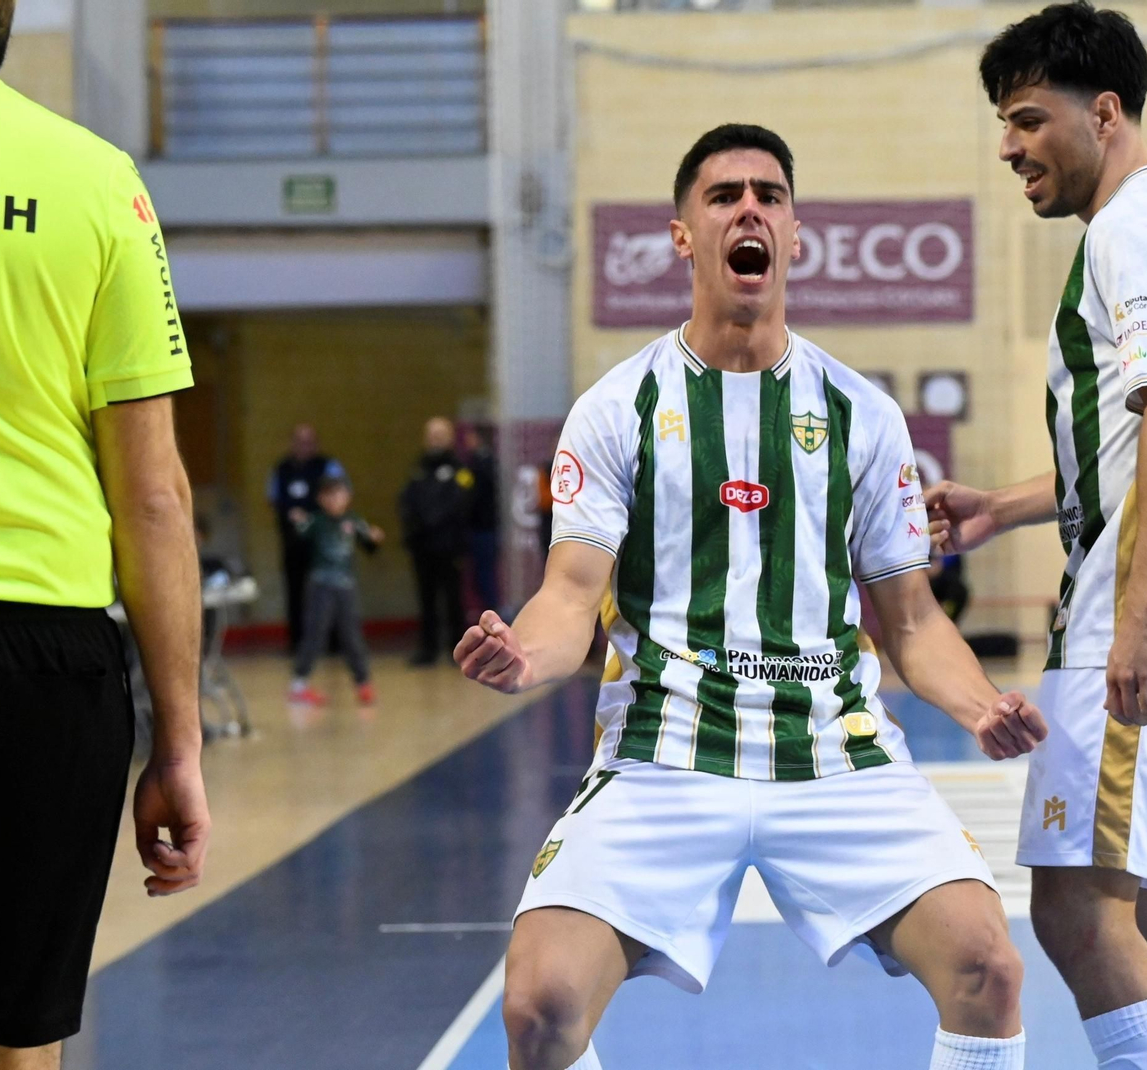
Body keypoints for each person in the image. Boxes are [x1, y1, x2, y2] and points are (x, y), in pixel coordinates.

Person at [457, 123, 1046, 1070]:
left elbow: (912, 619)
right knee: (539, 1006)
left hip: (833, 746)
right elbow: (568, 598)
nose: (749, 211)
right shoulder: (617, 408)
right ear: (683, 236)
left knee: (990, 969)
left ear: (794, 235)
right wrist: (523, 656)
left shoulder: (861, 414)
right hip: (665, 749)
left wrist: (982, 706)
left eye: (769, 196)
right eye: (724, 196)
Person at [927, 6, 1147, 1068]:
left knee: (1078, 910)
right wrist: (1005, 506)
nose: (1009, 146)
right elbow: (1142, 445)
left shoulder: (1133, 233)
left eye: (1028, 119)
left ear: (1106, 112)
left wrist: (1137, 613)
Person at [0, 0, 211, 1062]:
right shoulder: (92, 177)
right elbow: (152, 494)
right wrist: (178, 740)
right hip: (38, 665)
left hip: (30, 656)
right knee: (7, 1034)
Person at [288, 477, 384, 707]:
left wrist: (375, 539)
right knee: (315, 633)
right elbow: (297, 543)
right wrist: (298, 522)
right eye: (329, 496)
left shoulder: (353, 521)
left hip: (346, 586)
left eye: (339, 495)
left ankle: (363, 683)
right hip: (320, 585)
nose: (334, 500)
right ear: (321, 499)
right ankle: (299, 685)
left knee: (351, 635)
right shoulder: (316, 521)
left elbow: (369, 546)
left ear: (347, 497)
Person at [268, 423, 346, 651]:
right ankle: (298, 642)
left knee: (328, 590)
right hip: (293, 541)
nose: (304, 446)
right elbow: (273, 498)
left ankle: (332, 643)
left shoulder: (328, 466)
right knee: (296, 591)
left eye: (309, 442)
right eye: (300, 441)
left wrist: (315, 515)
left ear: (316, 443)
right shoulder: (281, 469)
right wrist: (290, 513)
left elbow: (341, 495)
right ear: (292, 443)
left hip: (324, 542)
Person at [401, 417, 469, 666]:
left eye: (440, 435)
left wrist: (434, 521)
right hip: (423, 546)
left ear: (450, 438)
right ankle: (428, 649)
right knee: (426, 599)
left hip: (449, 545)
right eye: (431, 435)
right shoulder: (418, 468)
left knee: (453, 599)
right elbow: (407, 501)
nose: (435, 440)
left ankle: (457, 649)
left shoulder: (459, 469)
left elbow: (460, 502)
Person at [458, 424, 501, 614]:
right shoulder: (477, 463)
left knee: (485, 573)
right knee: (480, 575)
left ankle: (492, 613)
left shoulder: (482, 464)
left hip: (484, 527)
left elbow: (475, 494)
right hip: (479, 526)